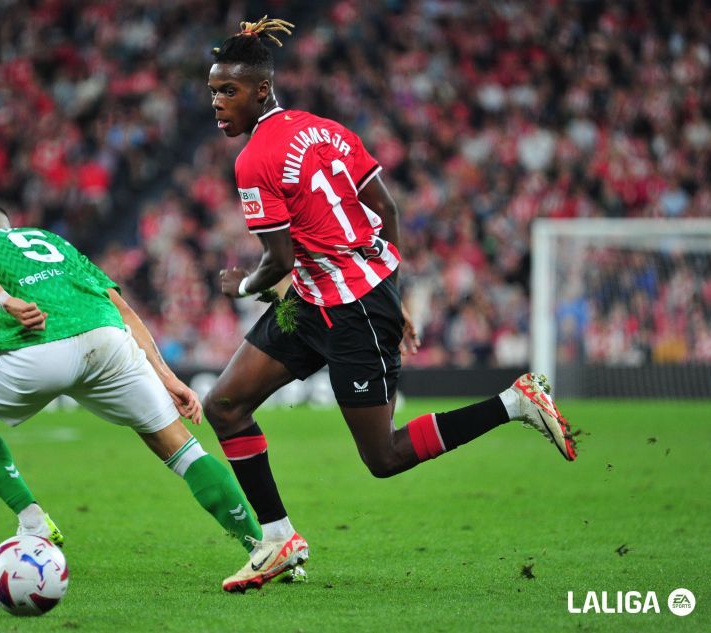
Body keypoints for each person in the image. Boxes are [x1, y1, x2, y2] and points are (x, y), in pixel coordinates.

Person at [204, 17, 578, 592]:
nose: (217, 103)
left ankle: (514, 402)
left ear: (261, 90)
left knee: (384, 457)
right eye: (212, 91)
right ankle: (278, 540)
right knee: (226, 405)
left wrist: (241, 287)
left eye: (227, 91)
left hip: (350, 311)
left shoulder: (253, 159)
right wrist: (391, 290)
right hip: (320, 301)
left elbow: (275, 263)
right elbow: (387, 209)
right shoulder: (327, 130)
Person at [0, 203, 263, 578]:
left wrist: (4, 300)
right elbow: (121, 308)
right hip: (107, 341)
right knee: (182, 448)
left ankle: (33, 520)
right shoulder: (52, 240)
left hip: (37, 348)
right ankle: (261, 546)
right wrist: (167, 377)